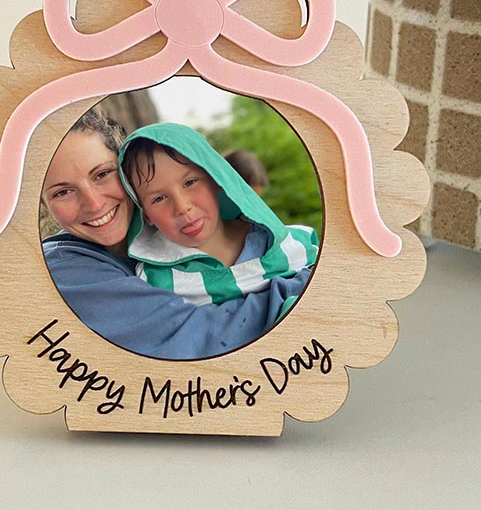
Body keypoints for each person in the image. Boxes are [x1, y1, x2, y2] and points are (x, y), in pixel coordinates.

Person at [40, 109, 311, 359]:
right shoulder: (65, 270)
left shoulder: (277, 241)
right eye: (62, 192)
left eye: (102, 174)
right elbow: (199, 336)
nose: (94, 203)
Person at [119, 123, 317, 310]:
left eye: (190, 182)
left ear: (217, 178)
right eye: (159, 198)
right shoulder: (153, 283)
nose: (182, 207)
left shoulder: (297, 242)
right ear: (146, 215)